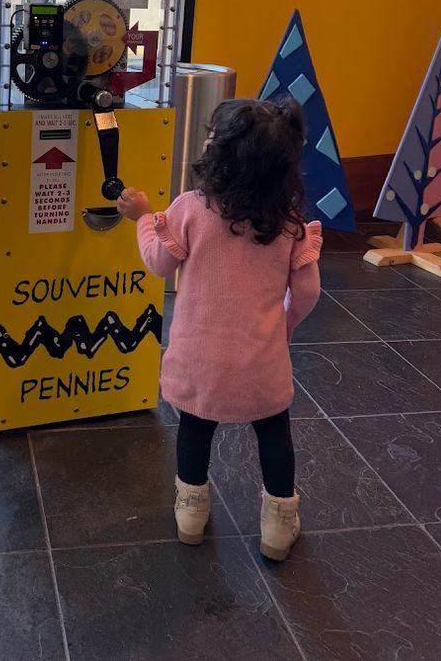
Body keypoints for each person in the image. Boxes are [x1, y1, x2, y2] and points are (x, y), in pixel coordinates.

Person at [117, 97, 322, 562]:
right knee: (273, 433)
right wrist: (283, 327)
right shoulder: (288, 225)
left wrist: (145, 217)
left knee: (194, 427)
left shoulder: (190, 209)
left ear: (220, 157)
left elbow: (158, 261)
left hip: (198, 359)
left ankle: (190, 514)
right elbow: (308, 292)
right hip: (261, 361)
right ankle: (277, 527)